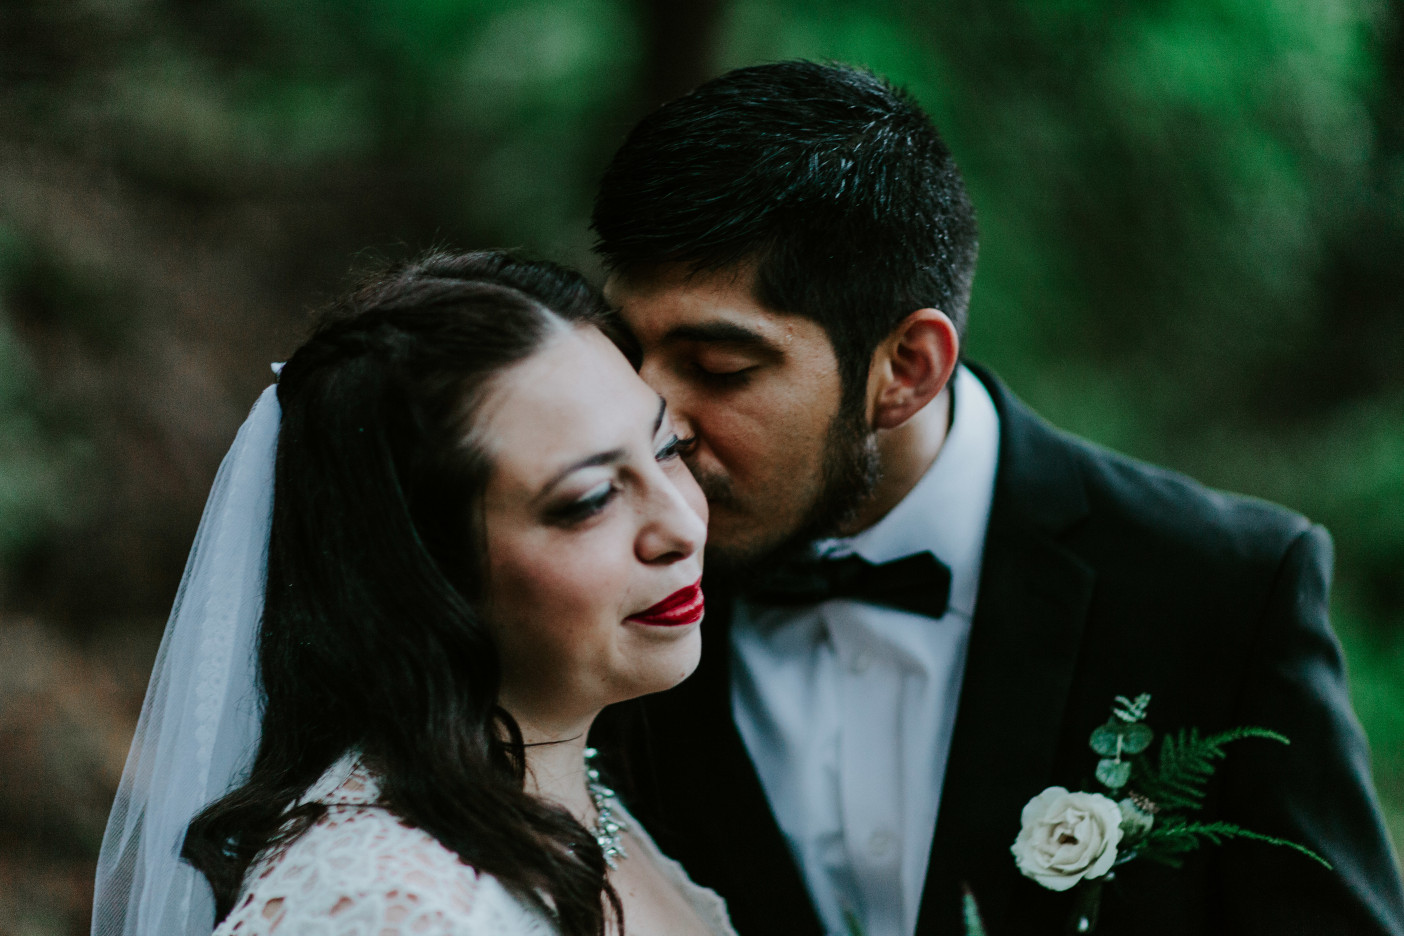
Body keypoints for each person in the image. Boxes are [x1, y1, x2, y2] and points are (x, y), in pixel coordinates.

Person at [589, 61, 1404, 935]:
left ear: (906, 369)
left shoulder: (1224, 590)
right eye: (625, 353)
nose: (651, 421)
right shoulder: (597, 590)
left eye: (720, 369)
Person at [91, 251, 737, 936]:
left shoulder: (571, 798)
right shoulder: (382, 906)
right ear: (419, 564)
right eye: (590, 499)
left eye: (667, 449)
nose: (681, 525)